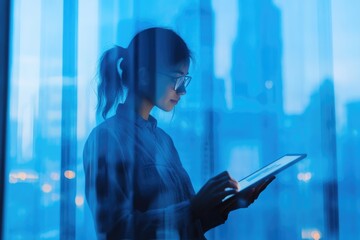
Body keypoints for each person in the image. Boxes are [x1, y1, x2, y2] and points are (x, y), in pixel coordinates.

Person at [83, 27, 274, 239]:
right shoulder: (107, 139)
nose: (182, 90)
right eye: (176, 79)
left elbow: (188, 223)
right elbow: (115, 230)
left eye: (184, 80)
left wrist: (226, 203)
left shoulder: (164, 141)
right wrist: (193, 208)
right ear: (144, 75)